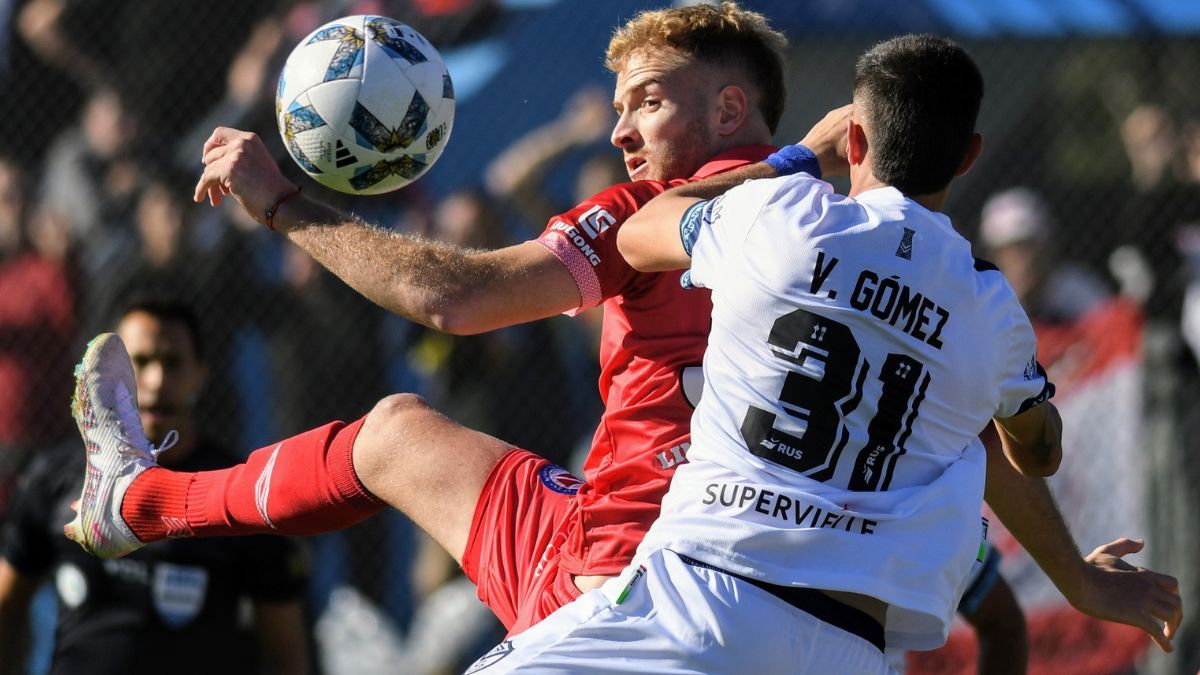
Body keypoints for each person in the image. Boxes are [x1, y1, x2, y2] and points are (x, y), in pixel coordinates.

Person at [67, 1, 1177, 654]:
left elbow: (453, 297)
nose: (620, 120)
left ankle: (136, 502)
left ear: (734, 108)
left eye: (648, 95)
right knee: (402, 429)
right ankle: (135, 501)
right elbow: (989, 431)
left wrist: (281, 202)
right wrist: (1078, 578)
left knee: (396, 434)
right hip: (810, 594)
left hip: (638, 578)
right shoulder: (871, 234)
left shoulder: (664, 221)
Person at [467, 35, 1177, 671]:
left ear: (856, 141)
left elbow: (640, 228)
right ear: (969, 157)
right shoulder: (988, 303)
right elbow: (1035, 450)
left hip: (710, 593)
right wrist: (1036, 448)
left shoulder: (784, 218)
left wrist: (797, 157)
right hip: (853, 645)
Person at [0, 299, 311, 675]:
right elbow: (8, 608)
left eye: (173, 363)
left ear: (201, 373)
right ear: (106, 375)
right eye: (139, 363)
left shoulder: (239, 491)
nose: (157, 380)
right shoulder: (58, 475)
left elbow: (286, 651)